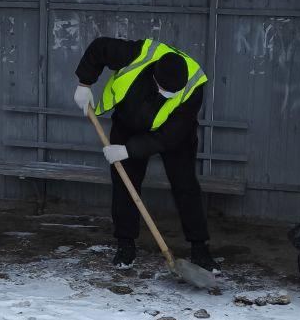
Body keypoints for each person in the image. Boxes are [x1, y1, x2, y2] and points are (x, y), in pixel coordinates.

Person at [73, 36, 218, 272]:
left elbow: (170, 137)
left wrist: (129, 150)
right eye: (163, 89)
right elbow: (100, 47)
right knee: (125, 183)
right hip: (129, 124)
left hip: (173, 133)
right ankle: (126, 244)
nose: (165, 95)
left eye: (172, 92)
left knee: (186, 185)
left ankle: (200, 248)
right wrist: (85, 83)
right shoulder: (137, 54)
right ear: (154, 76)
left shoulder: (194, 86)